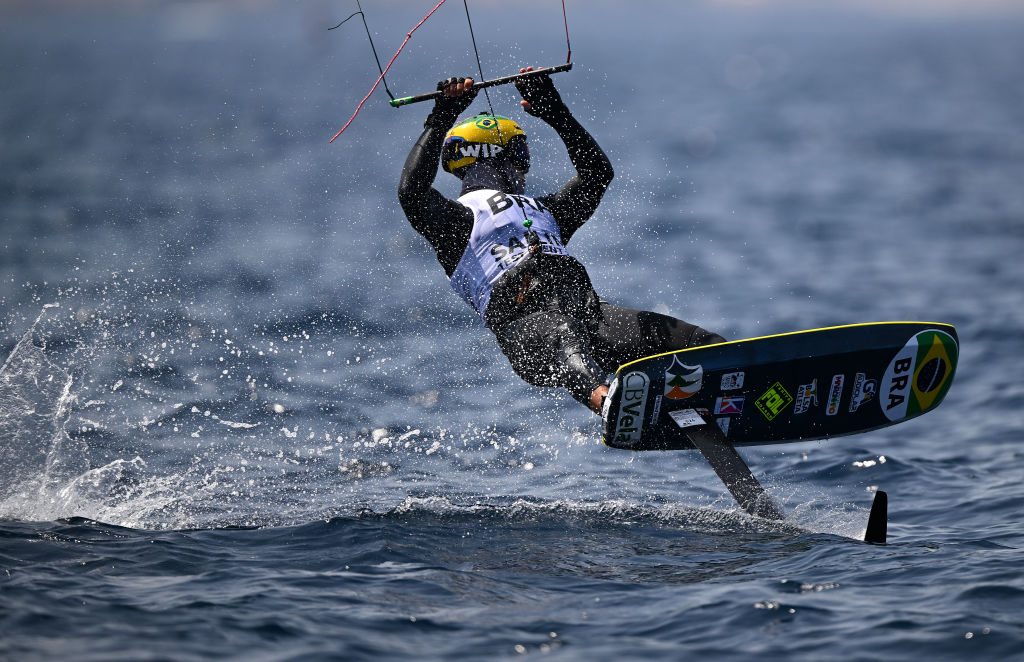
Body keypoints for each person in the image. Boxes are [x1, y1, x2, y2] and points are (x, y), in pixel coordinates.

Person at [398, 68, 724, 414]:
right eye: (520, 156)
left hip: (591, 319)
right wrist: (440, 118)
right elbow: (411, 192)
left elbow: (597, 174)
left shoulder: (544, 211)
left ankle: (735, 376)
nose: (525, 170)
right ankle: (612, 405)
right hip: (528, 336)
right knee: (564, 332)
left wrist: (555, 111)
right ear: (493, 157)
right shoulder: (456, 222)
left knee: (689, 342)